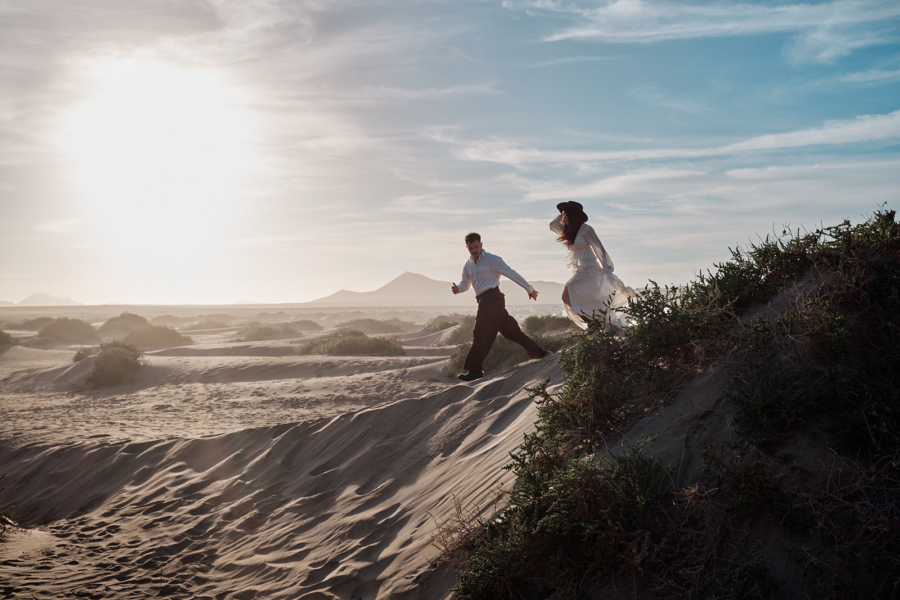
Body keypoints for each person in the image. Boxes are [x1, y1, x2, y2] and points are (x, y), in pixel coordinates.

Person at [451, 232, 549, 382]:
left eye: (476, 247)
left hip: (492, 298)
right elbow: (466, 283)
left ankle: (475, 370)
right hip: (485, 300)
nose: (474, 250)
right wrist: (459, 288)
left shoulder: (492, 260)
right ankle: (540, 353)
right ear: (467, 248)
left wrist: (529, 289)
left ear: (481, 245)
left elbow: (511, 273)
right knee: (511, 332)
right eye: (471, 248)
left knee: (480, 333)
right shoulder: (468, 265)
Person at [550, 201, 635, 330]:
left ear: (573, 215)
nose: (564, 218)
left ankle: (594, 324)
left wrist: (607, 268)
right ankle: (595, 324)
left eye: (566, 215)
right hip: (578, 269)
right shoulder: (569, 230)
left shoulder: (586, 229)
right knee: (589, 301)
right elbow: (552, 225)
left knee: (566, 295)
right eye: (563, 215)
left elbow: (599, 248)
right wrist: (562, 213)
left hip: (590, 269)